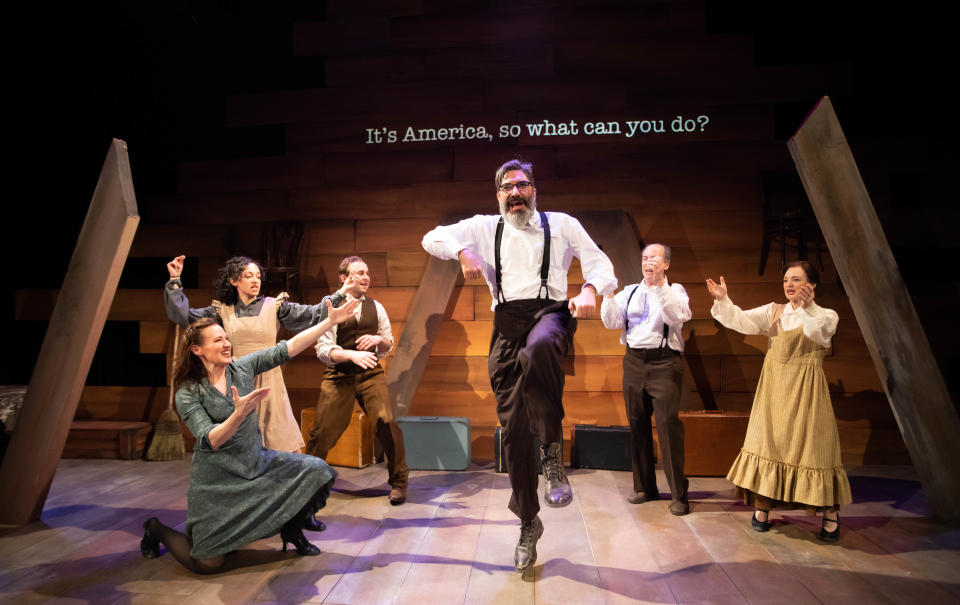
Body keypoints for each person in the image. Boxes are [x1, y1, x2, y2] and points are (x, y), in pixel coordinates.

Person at [422, 159, 617, 572]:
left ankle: (552, 454)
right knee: (511, 431)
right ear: (498, 196)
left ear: (534, 190)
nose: (515, 193)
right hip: (506, 324)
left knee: (540, 349)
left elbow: (600, 263)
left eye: (522, 185)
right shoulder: (482, 227)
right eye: (507, 188)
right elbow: (430, 237)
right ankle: (528, 521)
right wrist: (460, 251)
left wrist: (589, 289)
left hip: (551, 314)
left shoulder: (562, 224)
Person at [139, 296, 361, 574]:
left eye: (226, 337)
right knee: (207, 563)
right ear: (198, 350)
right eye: (217, 340)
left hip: (256, 462)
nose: (226, 343)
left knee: (319, 471)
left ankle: (291, 531)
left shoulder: (241, 368)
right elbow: (211, 440)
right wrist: (238, 414)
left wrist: (329, 321)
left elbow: (287, 349)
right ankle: (156, 529)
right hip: (217, 480)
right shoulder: (188, 392)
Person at [706, 261, 851, 542]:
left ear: (812, 285)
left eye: (796, 279)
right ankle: (763, 507)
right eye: (786, 279)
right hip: (774, 387)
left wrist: (808, 309)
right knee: (768, 443)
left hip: (806, 389)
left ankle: (830, 513)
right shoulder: (775, 312)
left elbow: (818, 334)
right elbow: (742, 320)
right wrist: (724, 300)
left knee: (814, 447)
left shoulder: (826, 315)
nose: (789, 284)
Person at [165, 255, 333, 453]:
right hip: (238, 378)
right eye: (248, 276)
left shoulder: (274, 306)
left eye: (258, 276)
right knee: (242, 440)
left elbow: (313, 313)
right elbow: (183, 316)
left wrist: (342, 294)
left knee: (277, 438)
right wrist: (175, 281)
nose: (255, 280)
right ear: (234, 281)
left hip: (270, 379)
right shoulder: (222, 311)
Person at [306, 256, 409, 505]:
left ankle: (399, 483)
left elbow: (388, 342)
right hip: (339, 375)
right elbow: (323, 349)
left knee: (387, 422)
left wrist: (377, 341)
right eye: (358, 273)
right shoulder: (330, 306)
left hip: (370, 373)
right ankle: (307, 484)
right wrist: (350, 354)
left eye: (367, 273)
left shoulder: (376, 307)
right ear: (344, 278)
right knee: (322, 433)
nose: (365, 277)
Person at [600, 243, 692, 515]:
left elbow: (679, 316)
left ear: (666, 264)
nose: (647, 261)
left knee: (667, 425)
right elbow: (611, 321)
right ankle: (644, 487)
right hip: (634, 361)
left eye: (654, 258)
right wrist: (607, 295)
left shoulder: (676, 291)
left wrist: (659, 286)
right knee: (637, 424)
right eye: (644, 257)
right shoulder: (630, 292)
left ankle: (679, 493)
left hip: (665, 362)